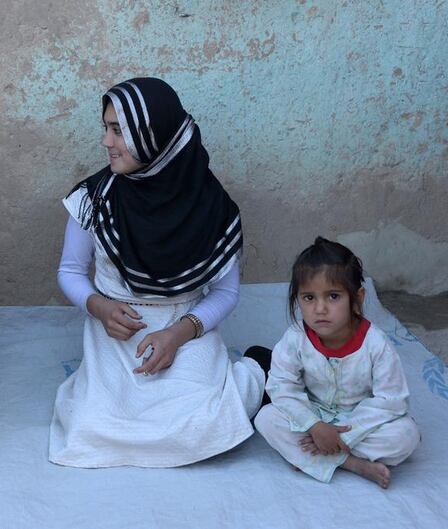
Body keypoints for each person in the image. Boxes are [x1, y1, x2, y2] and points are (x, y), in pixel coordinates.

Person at [49, 77, 265, 468]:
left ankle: (254, 373)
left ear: (156, 135)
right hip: (116, 331)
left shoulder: (213, 207)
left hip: (185, 326)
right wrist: (99, 308)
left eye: (119, 130)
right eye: (106, 128)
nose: (106, 142)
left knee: (205, 422)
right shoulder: (94, 199)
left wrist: (176, 334)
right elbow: (70, 271)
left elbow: (225, 293)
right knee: (88, 428)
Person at [254, 237, 419, 488]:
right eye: (309, 298)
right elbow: (281, 386)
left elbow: (391, 400)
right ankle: (352, 464)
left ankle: (317, 457)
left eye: (333, 296)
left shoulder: (376, 344)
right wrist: (315, 426)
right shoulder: (295, 339)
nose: (320, 309)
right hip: (314, 416)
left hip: (357, 421)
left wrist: (346, 435)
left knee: (406, 436)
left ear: (358, 298)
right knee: (266, 419)